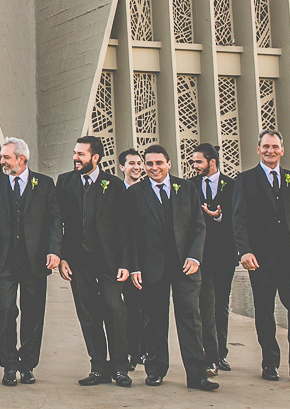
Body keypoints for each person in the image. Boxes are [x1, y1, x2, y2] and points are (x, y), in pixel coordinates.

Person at [123, 145, 215, 391]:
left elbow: (199, 226)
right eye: (149, 164)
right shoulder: (135, 193)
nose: (154, 168)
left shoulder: (186, 188)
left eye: (158, 163)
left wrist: (195, 257)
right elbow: (129, 234)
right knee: (154, 320)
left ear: (169, 164)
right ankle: (155, 370)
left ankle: (197, 376)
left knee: (191, 319)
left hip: (185, 266)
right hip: (151, 268)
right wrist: (134, 268)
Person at [231, 129, 290, 384]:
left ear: (282, 149)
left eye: (275, 147)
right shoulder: (245, 180)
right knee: (265, 312)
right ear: (258, 149)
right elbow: (238, 219)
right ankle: (270, 363)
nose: (270, 151)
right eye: (266, 146)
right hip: (261, 259)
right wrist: (244, 250)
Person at [0, 137, 60, 386]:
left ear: (22, 159)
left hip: (36, 260)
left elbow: (55, 218)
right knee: (7, 310)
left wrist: (54, 250)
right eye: (2, 157)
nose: (2, 161)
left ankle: (28, 364)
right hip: (5, 261)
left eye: (6, 157)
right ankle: (9, 365)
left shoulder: (44, 183)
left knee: (33, 314)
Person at [56, 136, 131, 386]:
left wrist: (125, 263)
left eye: (81, 154)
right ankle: (98, 367)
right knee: (88, 314)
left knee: (114, 309)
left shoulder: (115, 185)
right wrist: (63, 257)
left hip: (110, 261)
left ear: (95, 158)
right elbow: (59, 223)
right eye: (75, 153)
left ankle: (120, 367)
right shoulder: (64, 182)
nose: (76, 158)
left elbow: (125, 228)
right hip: (79, 261)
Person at [188, 143, 236, 374]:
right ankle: (210, 355)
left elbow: (239, 219)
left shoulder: (232, 186)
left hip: (225, 256)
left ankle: (221, 352)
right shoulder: (190, 186)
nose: (194, 166)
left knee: (221, 305)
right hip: (201, 256)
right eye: (193, 162)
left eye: (198, 162)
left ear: (212, 162)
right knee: (205, 305)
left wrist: (219, 217)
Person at [118, 148, 146, 370]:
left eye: (139, 163)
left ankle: (142, 351)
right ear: (122, 167)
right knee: (127, 307)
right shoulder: (116, 190)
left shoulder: (148, 190)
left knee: (146, 308)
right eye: (131, 163)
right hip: (121, 259)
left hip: (147, 259)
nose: (136, 167)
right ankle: (131, 352)